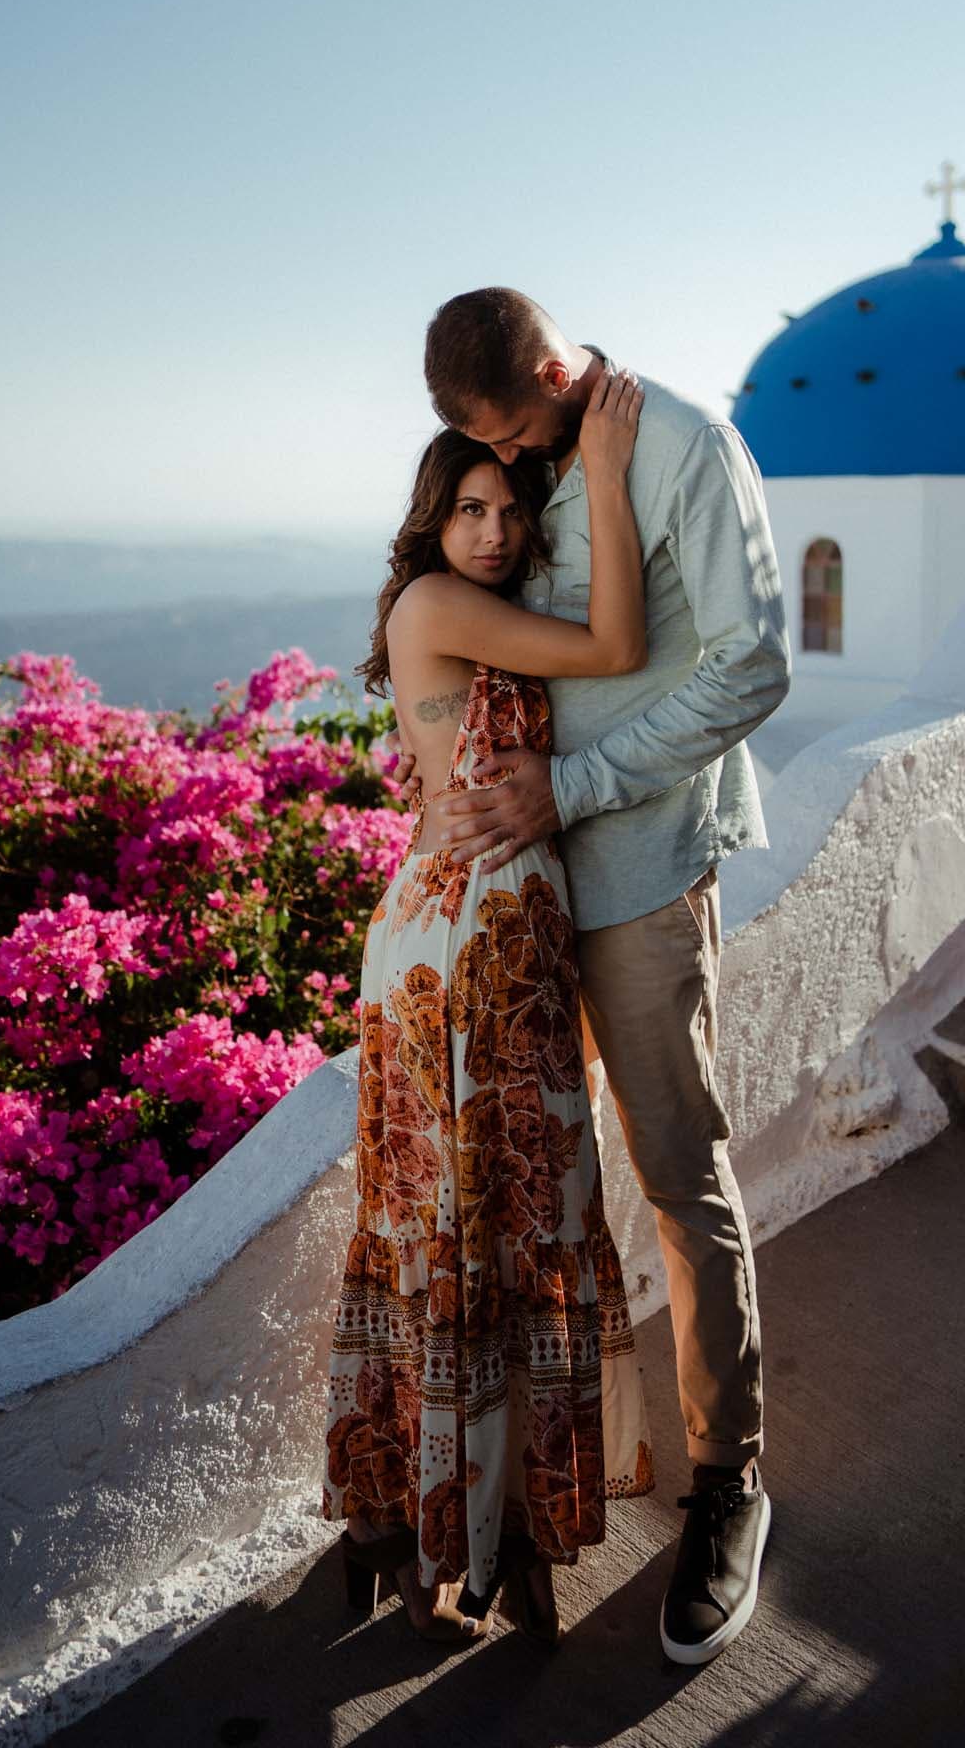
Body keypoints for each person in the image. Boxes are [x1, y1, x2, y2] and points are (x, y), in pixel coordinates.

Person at [413, 288, 791, 1667]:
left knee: (678, 1178)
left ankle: (728, 1483)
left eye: (515, 434)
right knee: (522, 1193)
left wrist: (571, 787)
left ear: (560, 374)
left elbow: (753, 664)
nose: (504, 472)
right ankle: (539, 1476)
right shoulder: (523, 472)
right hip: (515, 901)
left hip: (629, 878)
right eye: (483, 454)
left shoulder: (680, 442)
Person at [320, 371, 655, 1646]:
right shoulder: (438, 602)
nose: (494, 532)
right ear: (428, 523)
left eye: (512, 508)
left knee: (531, 1225)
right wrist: (610, 475)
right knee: (458, 1230)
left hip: (516, 952)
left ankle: (503, 1528)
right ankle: (420, 1528)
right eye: (468, 507)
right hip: (453, 955)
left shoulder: (491, 606)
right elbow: (618, 650)